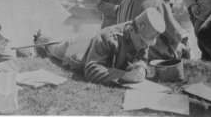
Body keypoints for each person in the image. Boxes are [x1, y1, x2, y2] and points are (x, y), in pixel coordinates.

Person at [35, 8, 166, 86]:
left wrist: (141, 67)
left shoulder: (141, 36)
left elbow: (142, 56)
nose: (144, 46)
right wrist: (124, 75)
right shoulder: (108, 37)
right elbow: (91, 70)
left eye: (146, 43)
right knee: (54, 49)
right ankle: (40, 38)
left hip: (92, 44)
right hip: (78, 50)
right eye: (143, 42)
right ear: (133, 30)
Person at [117, 0, 190, 61]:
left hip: (123, 53)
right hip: (146, 54)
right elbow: (175, 33)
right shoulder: (157, 0)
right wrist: (184, 39)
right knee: (183, 46)